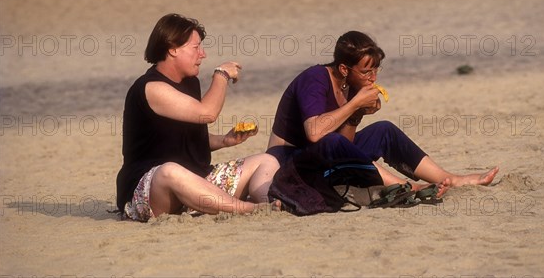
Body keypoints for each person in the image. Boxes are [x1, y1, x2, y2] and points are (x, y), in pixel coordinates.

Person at [266, 30, 499, 197]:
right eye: (366, 71)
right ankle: (404, 186)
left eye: (376, 70)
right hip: (287, 159)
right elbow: (315, 133)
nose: (373, 78)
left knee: (384, 130)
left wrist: (356, 115)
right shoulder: (315, 78)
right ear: (344, 69)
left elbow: (344, 145)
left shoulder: (350, 85)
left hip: (325, 158)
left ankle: (448, 177)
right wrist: (355, 103)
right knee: (332, 140)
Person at [116, 13, 280, 222]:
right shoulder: (151, 87)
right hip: (152, 191)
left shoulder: (190, 82)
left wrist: (224, 140)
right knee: (170, 171)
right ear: (173, 48)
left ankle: (268, 202)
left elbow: (184, 136)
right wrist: (221, 75)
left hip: (197, 180)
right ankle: (245, 208)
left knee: (266, 160)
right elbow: (208, 113)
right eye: (195, 48)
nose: (202, 54)